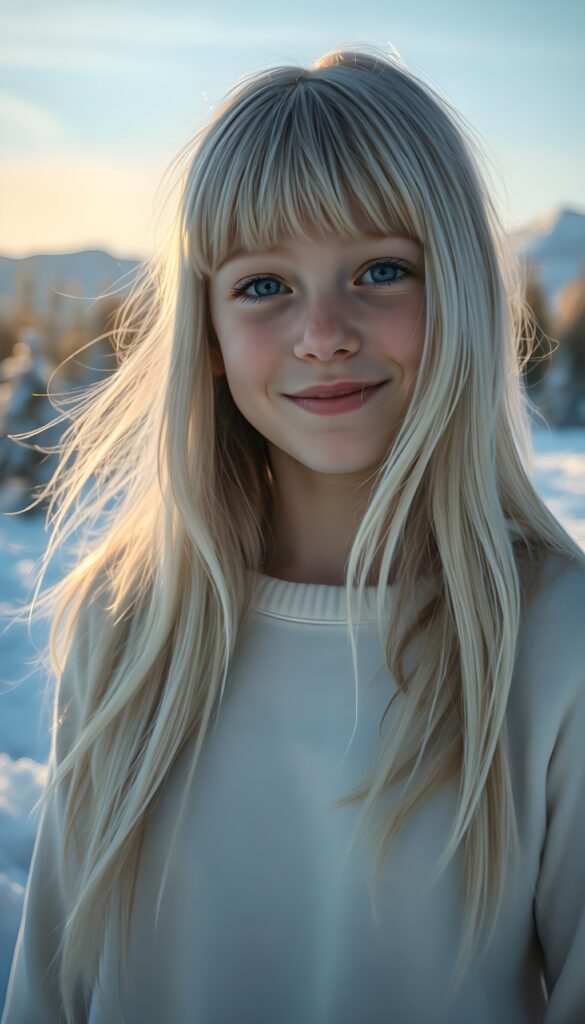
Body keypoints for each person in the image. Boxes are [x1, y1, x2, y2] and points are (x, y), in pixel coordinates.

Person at [2, 43, 584, 1024]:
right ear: (211, 338)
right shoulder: (130, 620)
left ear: (464, 299)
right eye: (264, 285)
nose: (325, 330)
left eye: (381, 270)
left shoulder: (556, 641)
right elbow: (51, 986)